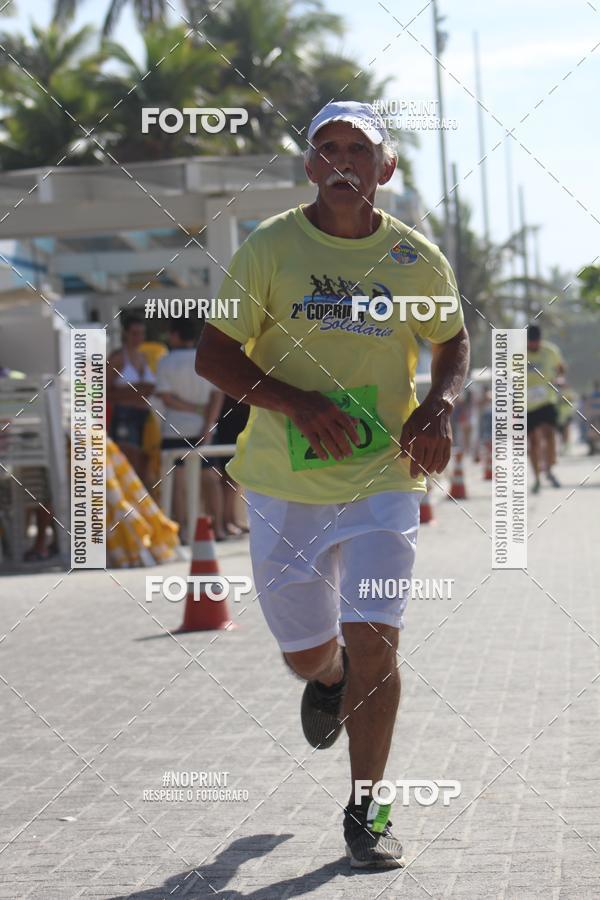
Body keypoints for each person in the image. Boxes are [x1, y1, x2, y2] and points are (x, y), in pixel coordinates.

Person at [195, 100, 469, 868]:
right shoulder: (270, 248)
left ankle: (367, 810)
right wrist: (298, 404)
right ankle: (328, 676)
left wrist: (437, 405)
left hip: (382, 480)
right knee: (308, 654)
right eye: (329, 147)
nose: (344, 160)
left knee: (379, 643)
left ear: (385, 169)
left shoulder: (416, 259)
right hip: (285, 485)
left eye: (361, 149)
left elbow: (452, 342)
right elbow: (214, 357)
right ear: (311, 165)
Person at [155, 319, 224, 542]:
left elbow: (166, 398)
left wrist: (194, 409)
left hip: (175, 428)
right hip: (204, 428)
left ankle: (184, 530)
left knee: (179, 483)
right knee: (211, 479)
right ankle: (219, 528)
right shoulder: (206, 358)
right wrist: (208, 423)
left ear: (174, 336)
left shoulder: (165, 362)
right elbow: (217, 395)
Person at [107, 315, 156, 484]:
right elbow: (103, 391)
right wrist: (138, 392)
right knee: (129, 461)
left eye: (141, 334)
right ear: (125, 334)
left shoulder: (143, 357)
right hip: (124, 414)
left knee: (144, 463)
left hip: (142, 415)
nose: (138, 338)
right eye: (134, 333)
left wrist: (140, 391)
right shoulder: (118, 358)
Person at [526, 323, 565, 492]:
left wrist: (560, 378)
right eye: (530, 342)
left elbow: (561, 368)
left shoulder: (550, 351)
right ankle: (537, 478)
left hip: (547, 399)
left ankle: (549, 467)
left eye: (536, 342)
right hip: (526, 404)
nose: (533, 345)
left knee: (549, 433)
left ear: (540, 340)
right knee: (533, 443)